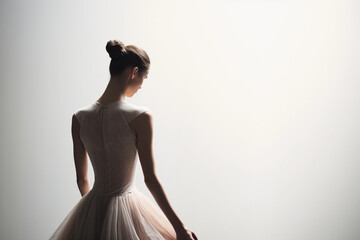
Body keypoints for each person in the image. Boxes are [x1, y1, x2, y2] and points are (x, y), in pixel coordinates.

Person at [49, 40, 198, 240]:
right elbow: (150, 179)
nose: (141, 86)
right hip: (129, 206)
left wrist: (94, 218)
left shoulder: (79, 118)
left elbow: (82, 179)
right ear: (133, 72)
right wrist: (180, 227)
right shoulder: (141, 117)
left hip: (92, 205)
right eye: (144, 78)